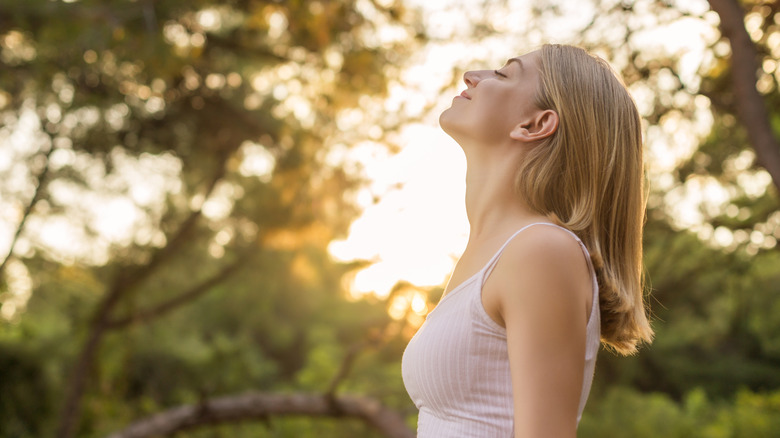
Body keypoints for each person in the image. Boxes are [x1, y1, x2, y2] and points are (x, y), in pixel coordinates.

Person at [401, 44, 654, 437]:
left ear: (535, 125)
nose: (472, 75)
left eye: (503, 75)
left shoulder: (541, 251)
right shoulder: (496, 252)